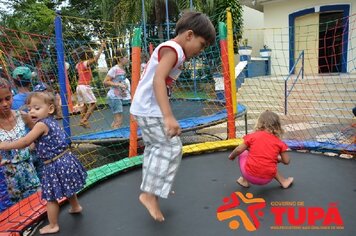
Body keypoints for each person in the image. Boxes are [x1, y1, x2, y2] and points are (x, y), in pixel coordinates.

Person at [130, 11, 216, 222]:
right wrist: (168, 116)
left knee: (156, 148)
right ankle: (150, 194)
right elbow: (158, 80)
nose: (201, 50)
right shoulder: (174, 49)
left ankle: (154, 187)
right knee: (171, 148)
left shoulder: (174, 50)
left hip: (143, 107)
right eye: (202, 44)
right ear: (189, 35)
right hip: (149, 109)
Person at [0, 92, 87, 234]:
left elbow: (25, 141)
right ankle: (75, 206)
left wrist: (3, 145)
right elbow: (39, 143)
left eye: (36, 108)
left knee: (50, 197)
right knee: (68, 187)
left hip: (54, 165)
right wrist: (32, 147)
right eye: (29, 109)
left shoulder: (40, 125)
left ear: (50, 109)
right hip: (66, 159)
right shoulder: (51, 121)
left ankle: (53, 225)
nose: (32, 111)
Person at [0, 78, 40, 210]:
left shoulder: (22, 116)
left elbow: (37, 130)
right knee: (17, 210)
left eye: (7, 98)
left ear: (12, 95)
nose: (5, 104)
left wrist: (31, 145)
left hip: (28, 169)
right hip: (8, 176)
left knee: (38, 203)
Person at [228, 110, 294, 189]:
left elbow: (239, 150)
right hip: (267, 178)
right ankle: (284, 181)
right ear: (277, 126)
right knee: (269, 160)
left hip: (249, 175)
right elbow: (286, 161)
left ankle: (244, 181)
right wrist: (278, 158)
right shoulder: (279, 142)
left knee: (244, 152)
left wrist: (232, 156)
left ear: (260, 124)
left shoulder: (253, 136)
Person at [74, 42, 105, 128]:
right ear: (87, 55)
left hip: (79, 87)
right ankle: (84, 120)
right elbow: (95, 59)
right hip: (84, 86)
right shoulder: (85, 63)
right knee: (93, 103)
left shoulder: (77, 65)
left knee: (84, 105)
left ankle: (82, 120)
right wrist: (101, 48)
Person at [103, 48, 131, 129]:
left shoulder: (122, 69)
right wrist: (118, 84)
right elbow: (105, 82)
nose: (127, 59)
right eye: (126, 57)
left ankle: (112, 134)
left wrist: (123, 90)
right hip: (113, 97)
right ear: (120, 58)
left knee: (116, 120)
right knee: (119, 120)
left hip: (117, 96)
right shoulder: (115, 69)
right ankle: (116, 136)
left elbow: (120, 82)